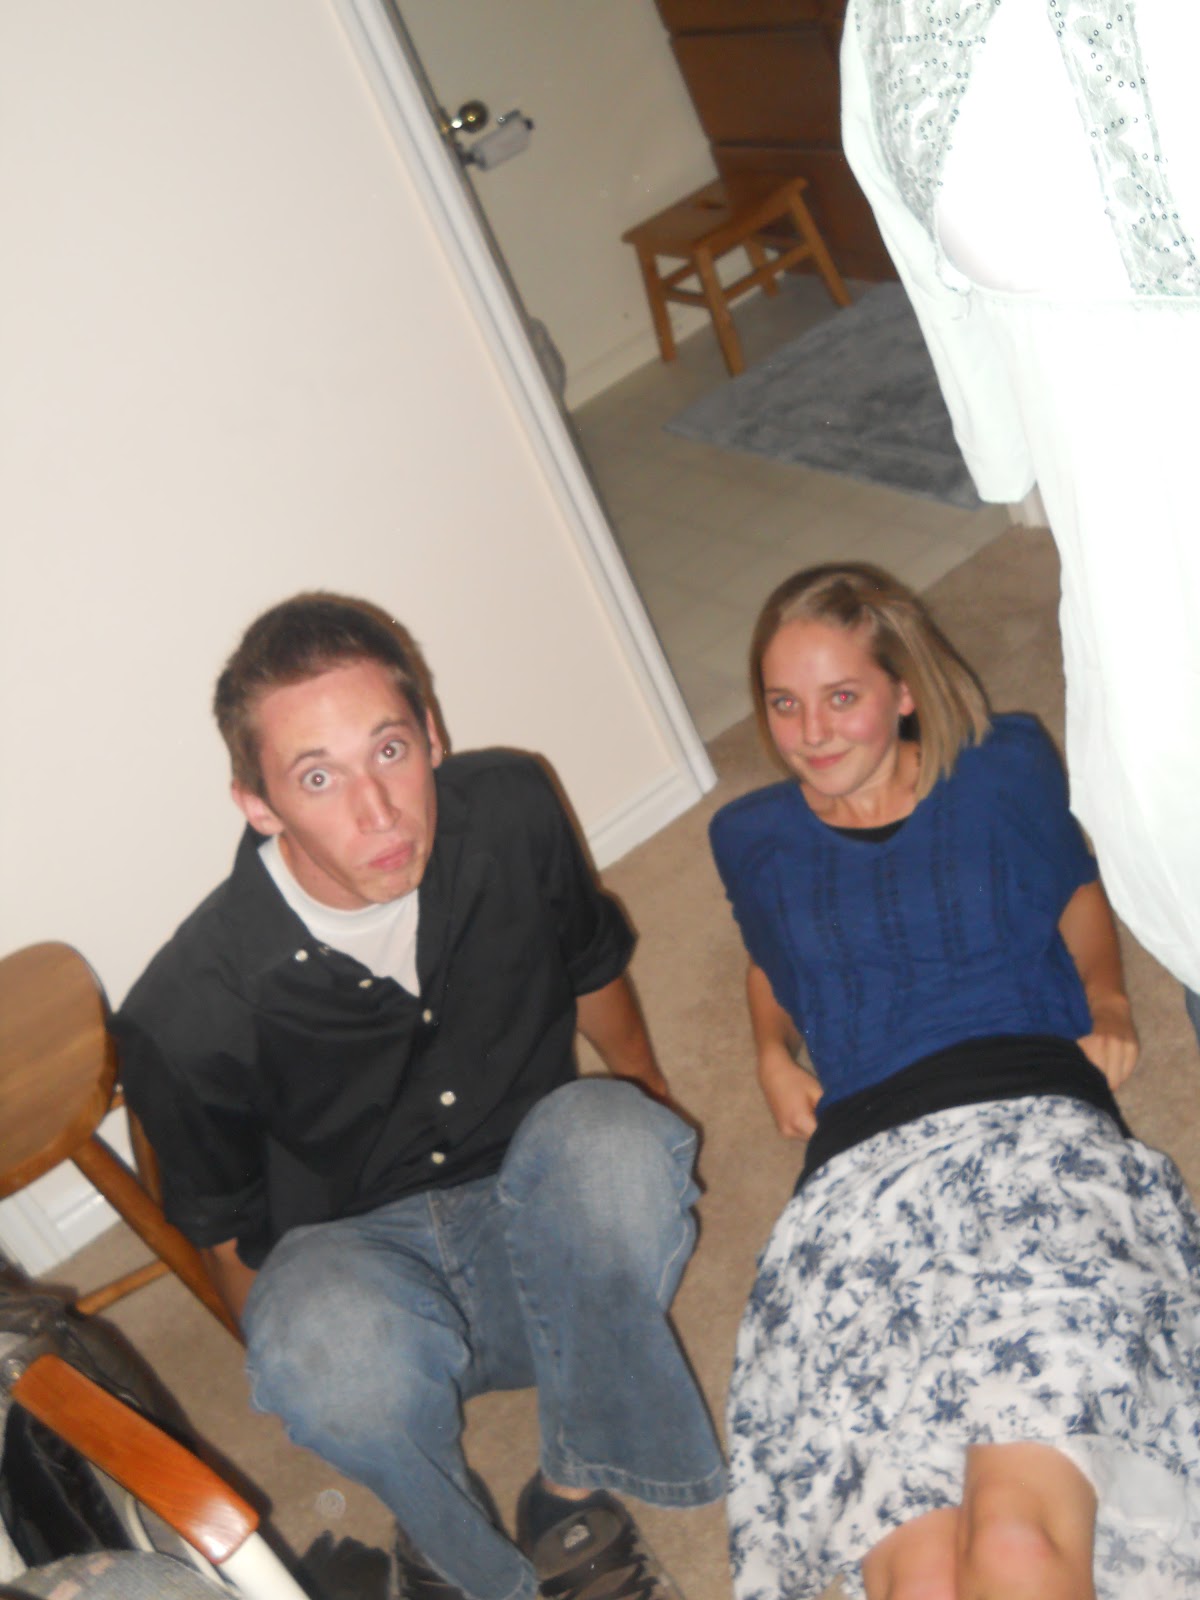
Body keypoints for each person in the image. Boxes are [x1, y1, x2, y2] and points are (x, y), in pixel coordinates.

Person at [114, 593, 723, 1600]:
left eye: (389, 751)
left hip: (535, 1223)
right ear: (257, 803)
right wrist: (320, 1377)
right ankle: (450, 1542)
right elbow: (224, 1242)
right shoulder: (186, 1011)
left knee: (621, 1143)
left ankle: (571, 1495)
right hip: (365, 1273)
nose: (378, 811)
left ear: (432, 734)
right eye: (318, 777)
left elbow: (590, 963)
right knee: (326, 1352)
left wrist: (648, 1098)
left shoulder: (514, 809)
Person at [708, 563, 1200, 1599]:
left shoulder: (1001, 765)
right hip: (858, 1189)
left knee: (1017, 1544)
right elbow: (769, 956)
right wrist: (768, 1052)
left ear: (903, 690)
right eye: (784, 704)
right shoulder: (748, 838)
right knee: (923, 1573)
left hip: (1033, 1138)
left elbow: (1071, 882)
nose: (810, 733)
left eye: (842, 696)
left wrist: (1110, 998)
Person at [839, 0, 1200, 1038]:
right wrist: (999, 447)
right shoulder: (893, 23)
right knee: (1166, 779)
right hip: (1113, 507)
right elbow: (924, 253)